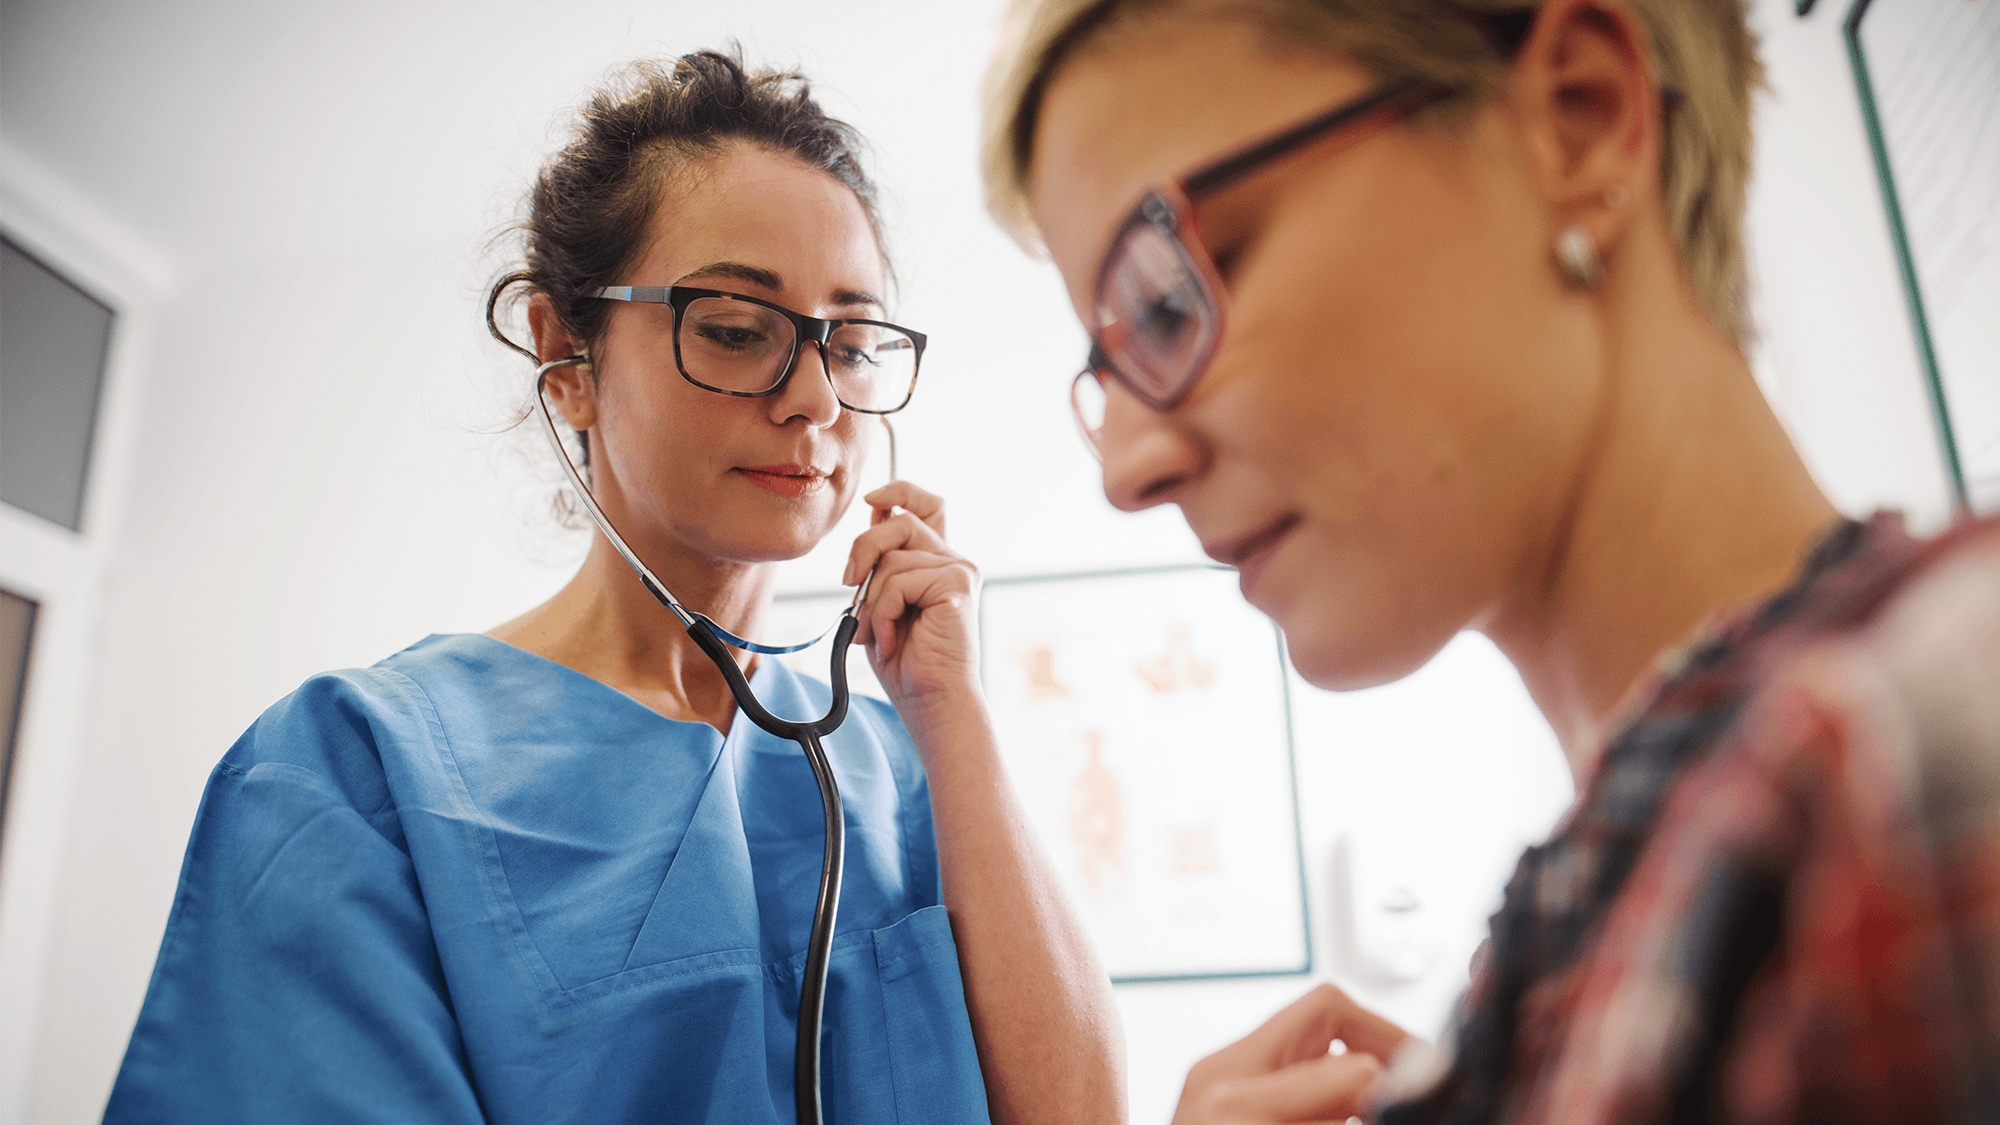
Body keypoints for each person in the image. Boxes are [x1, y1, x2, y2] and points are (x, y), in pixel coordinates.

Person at [981, 0, 2000, 1121]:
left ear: (1577, 118)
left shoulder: (1911, 742)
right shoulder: (1604, 900)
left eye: (1169, 297)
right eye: (1107, 366)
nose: (1125, 469)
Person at [106, 50, 1123, 1124]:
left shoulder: (912, 773)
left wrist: (951, 714)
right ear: (568, 358)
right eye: (736, 330)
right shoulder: (359, 771)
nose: (815, 399)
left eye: (854, 343)